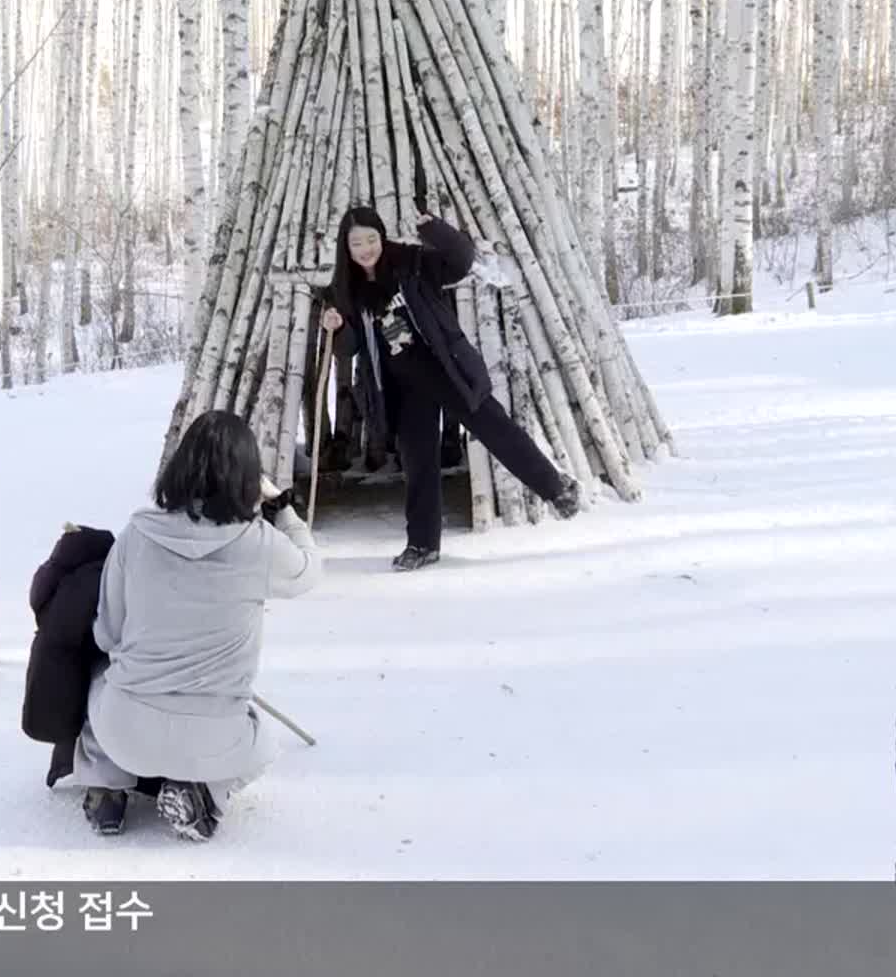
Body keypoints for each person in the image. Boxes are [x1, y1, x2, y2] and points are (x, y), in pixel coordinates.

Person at [70, 409, 322, 840]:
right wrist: (282, 510)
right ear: (249, 479)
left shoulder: (137, 534)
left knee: (101, 673)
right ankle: (203, 795)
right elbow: (308, 571)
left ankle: (106, 789)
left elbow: (108, 633)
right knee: (264, 745)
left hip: (126, 731)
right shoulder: (259, 546)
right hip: (217, 739)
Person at [321, 206, 581, 571]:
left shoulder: (412, 262)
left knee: (495, 427)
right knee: (418, 463)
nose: (365, 249)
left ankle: (556, 488)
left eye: (371, 239)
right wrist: (335, 325)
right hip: (403, 386)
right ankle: (423, 544)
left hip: (446, 368)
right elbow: (348, 349)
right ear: (345, 248)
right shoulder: (348, 289)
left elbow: (460, 261)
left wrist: (435, 229)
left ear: (382, 238)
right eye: (356, 243)